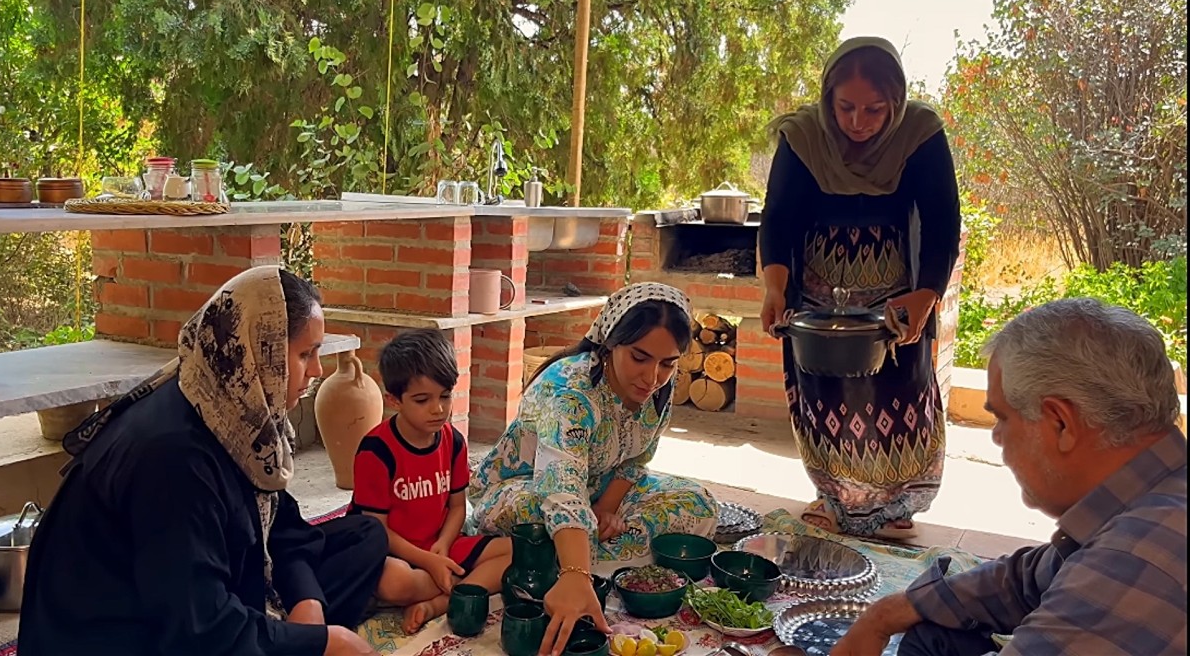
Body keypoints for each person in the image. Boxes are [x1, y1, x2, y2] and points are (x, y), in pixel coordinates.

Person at [19, 267, 386, 656]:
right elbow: (197, 628)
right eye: (305, 354)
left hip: (193, 587)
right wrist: (322, 643)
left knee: (363, 539)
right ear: (258, 353)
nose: (316, 371)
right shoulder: (174, 456)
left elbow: (281, 524)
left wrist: (306, 605)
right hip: (122, 633)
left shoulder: (233, 410)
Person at [831, 298, 1187, 656]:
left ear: (1060, 423)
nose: (997, 436)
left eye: (1002, 418)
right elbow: (1030, 580)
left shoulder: (1134, 560)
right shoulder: (1154, 497)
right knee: (938, 632)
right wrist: (887, 612)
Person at [758, 35, 961, 539]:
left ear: (897, 102)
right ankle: (834, 498)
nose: (858, 122)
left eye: (875, 110)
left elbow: (942, 223)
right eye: (845, 107)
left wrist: (926, 294)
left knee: (899, 391)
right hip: (817, 290)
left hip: (894, 289)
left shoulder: (920, 133)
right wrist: (774, 287)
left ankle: (896, 504)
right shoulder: (804, 136)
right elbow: (778, 218)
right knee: (825, 393)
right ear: (827, 98)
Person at [467, 282, 719, 655]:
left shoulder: (662, 386)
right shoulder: (568, 392)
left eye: (668, 362)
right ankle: (575, 567)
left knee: (698, 505)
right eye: (639, 357)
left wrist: (606, 509)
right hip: (525, 491)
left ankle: (564, 558)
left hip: (596, 489)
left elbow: (636, 459)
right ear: (611, 343)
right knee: (540, 519)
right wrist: (576, 574)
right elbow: (561, 488)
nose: (652, 378)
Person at [350, 328, 513, 634]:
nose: (438, 409)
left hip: (441, 546)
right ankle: (456, 586)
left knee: (514, 552)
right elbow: (376, 530)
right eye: (422, 399)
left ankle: (436, 604)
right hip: (396, 553)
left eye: (445, 395)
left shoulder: (454, 442)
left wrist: (443, 545)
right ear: (394, 400)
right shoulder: (376, 450)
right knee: (394, 583)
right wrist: (426, 560)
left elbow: (456, 508)